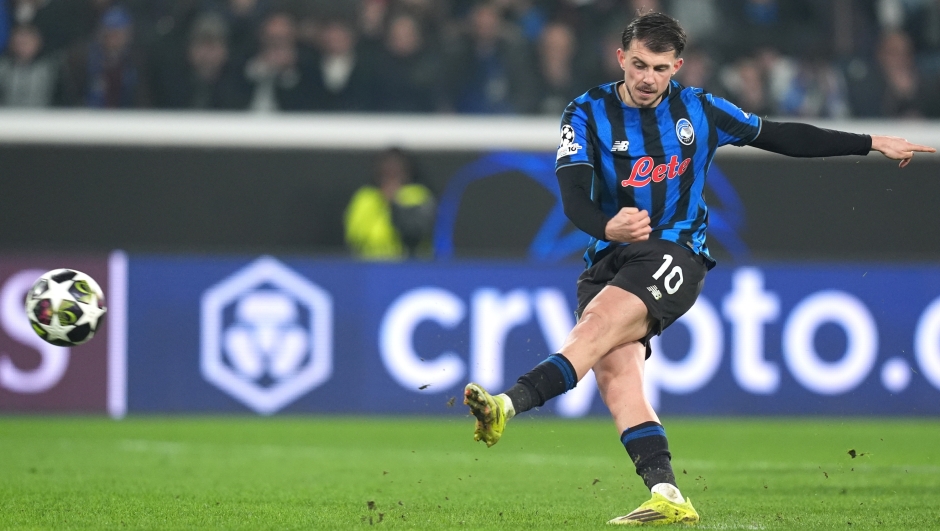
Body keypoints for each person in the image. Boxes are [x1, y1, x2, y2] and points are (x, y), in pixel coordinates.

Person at [463, 11, 935, 526]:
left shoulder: (700, 110)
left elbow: (780, 136)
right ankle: (667, 495)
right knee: (618, 378)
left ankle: (506, 405)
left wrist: (869, 142)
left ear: (677, 67)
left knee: (594, 329)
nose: (647, 78)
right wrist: (608, 226)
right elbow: (574, 200)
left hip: (675, 253)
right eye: (638, 64)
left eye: (660, 68)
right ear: (621, 57)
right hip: (610, 255)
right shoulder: (584, 112)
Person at [344, 148, 436, 260]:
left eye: (396, 172)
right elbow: (354, 234)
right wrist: (382, 202)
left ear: (406, 172)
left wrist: (395, 203)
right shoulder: (365, 198)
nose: (391, 177)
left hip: (409, 266)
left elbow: (417, 231)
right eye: (387, 172)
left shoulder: (418, 195)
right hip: (370, 265)